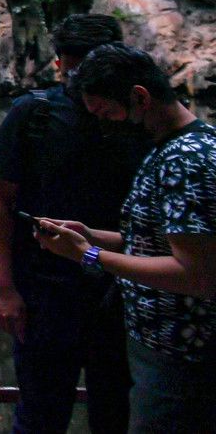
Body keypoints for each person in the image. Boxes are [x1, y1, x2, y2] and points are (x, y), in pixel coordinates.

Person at [37, 44, 216, 434]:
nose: (106, 125)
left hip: (183, 356)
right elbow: (157, 242)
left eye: (108, 113)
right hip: (158, 347)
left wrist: (90, 255)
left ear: (139, 97)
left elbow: (197, 274)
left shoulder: (186, 159)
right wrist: (88, 234)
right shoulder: (167, 149)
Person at [0, 15, 147, 434]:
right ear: (59, 65)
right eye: (74, 67)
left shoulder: (137, 121)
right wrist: (4, 287)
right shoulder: (34, 114)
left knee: (117, 413)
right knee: (40, 413)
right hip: (44, 293)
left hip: (121, 291)